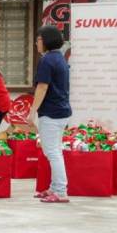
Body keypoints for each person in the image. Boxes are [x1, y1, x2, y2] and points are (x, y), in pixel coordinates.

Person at [27, 25, 72, 203]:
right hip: (61, 111)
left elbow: (42, 87)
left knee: (52, 152)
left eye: (38, 39)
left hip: (52, 112)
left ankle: (60, 191)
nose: (36, 43)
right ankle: (55, 188)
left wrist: (32, 112)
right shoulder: (59, 58)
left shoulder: (47, 60)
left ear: (45, 41)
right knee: (54, 151)